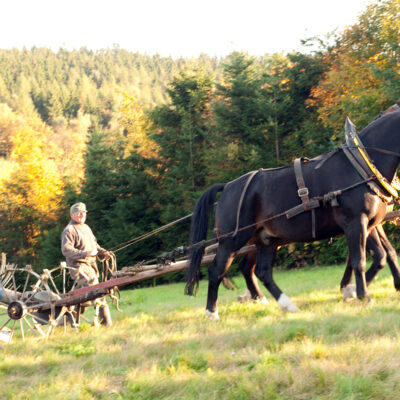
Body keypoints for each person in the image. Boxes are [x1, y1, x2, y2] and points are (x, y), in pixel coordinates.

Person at [61, 202, 112, 326]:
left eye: (84, 213)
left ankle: (65, 320)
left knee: (81, 298)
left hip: (91, 266)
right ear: (72, 215)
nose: (82, 215)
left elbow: (95, 245)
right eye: (79, 213)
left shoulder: (86, 227)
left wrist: (103, 253)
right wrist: (84, 253)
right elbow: (66, 250)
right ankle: (106, 323)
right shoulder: (69, 230)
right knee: (97, 290)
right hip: (79, 267)